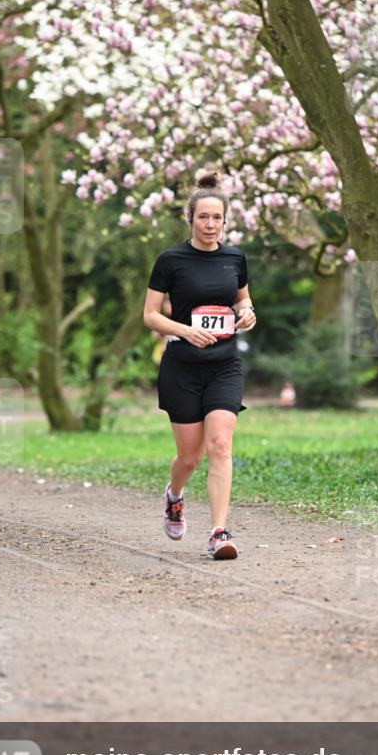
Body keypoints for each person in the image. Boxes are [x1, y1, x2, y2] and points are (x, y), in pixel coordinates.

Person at [143, 171, 256, 560]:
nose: (210, 224)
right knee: (189, 457)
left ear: (225, 220)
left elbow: (242, 298)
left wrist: (248, 312)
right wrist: (186, 331)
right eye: (203, 217)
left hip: (224, 365)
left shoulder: (235, 258)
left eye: (217, 218)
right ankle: (174, 496)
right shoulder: (170, 260)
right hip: (183, 367)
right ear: (189, 218)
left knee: (220, 444)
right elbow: (150, 315)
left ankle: (219, 533)